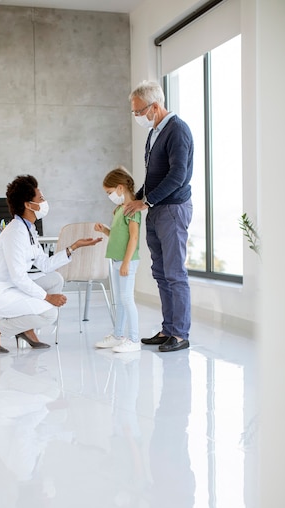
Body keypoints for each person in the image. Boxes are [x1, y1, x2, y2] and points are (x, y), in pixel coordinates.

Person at [0, 174, 102, 353]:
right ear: (28, 205)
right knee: (49, 313)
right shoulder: (16, 233)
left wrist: (74, 247)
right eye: (41, 198)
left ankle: (27, 326)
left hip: (11, 286)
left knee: (55, 279)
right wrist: (47, 298)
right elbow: (19, 277)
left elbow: (45, 265)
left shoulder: (28, 229)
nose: (44, 202)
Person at [124, 80, 194, 353]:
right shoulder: (154, 132)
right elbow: (153, 178)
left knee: (175, 273)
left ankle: (180, 334)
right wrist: (138, 199)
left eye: (139, 111)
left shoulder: (177, 130)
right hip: (156, 209)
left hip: (173, 210)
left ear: (154, 106)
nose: (137, 117)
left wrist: (147, 201)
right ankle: (168, 329)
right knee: (161, 272)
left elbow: (178, 176)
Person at [94, 166, 141, 353]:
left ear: (120, 188)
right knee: (120, 300)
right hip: (116, 260)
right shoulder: (119, 210)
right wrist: (104, 230)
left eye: (110, 192)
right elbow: (118, 235)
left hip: (125, 261)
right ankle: (118, 335)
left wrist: (127, 262)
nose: (109, 196)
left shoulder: (132, 210)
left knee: (127, 299)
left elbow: (134, 237)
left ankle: (134, 339)